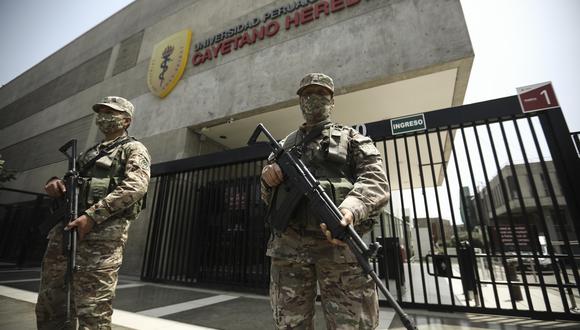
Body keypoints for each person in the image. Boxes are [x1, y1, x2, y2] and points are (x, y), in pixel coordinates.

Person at [261, 73, 390, 329]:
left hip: (339, 249)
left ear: (332, 101)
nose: (314, 99)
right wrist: (267, 179)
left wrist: (350, 209)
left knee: (351, 325)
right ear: (300, 102)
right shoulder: (283, 147)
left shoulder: (352, 139)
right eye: (308, 94)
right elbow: (266, 198)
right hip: (289, 251)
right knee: (290, 324)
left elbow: (376, 181)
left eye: (321, 94)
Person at [36, 96, 151, 329]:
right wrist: (56, 184)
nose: (103, 116)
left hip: (100, 241)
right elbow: (72, 184)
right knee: (51, 304)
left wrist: (92, 216)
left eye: (110, 112)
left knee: (93, 311)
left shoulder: (133, 149)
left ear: (126, 121)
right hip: (65, 233)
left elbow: (136, 186)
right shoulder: (87, 154)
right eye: (101, 111)